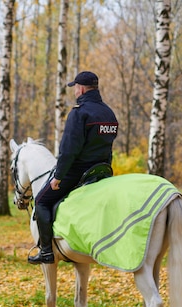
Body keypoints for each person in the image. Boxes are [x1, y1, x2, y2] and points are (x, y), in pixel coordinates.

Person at [28, 71, 119, 264]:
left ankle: (46, 251)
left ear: (82, 88)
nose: (75, 91)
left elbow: (68, 150)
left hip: (79, 171)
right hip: (102, 170)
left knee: (42, 200)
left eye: (75, 87)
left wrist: (58, 177)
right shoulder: (108, 112)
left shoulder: (79, 113)